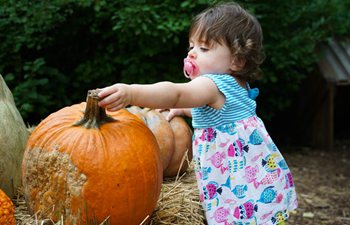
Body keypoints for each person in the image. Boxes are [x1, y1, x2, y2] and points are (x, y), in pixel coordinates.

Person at [98, 2, 298, 224]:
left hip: (236, 179)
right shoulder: (237, 86)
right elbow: (221, 119)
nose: (192, 53)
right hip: (254, 175)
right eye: (191, 46)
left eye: (204, 48)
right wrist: (185, 110)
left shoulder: (212, 83)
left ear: (237, 61)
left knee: (237, 216)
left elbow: (176, 93)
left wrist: (131, 93)